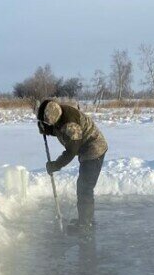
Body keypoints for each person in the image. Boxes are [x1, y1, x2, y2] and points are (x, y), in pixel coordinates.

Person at [37, 98, 108, 232]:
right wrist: (47, 129)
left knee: (84, 188)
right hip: (86, 147)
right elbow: (59, 129)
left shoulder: (71, 126)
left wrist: (56, 165)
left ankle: (85, 224)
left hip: (94, 149)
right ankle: (85, 219)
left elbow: (71, 151)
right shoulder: (58, 110)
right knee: (83, 187)